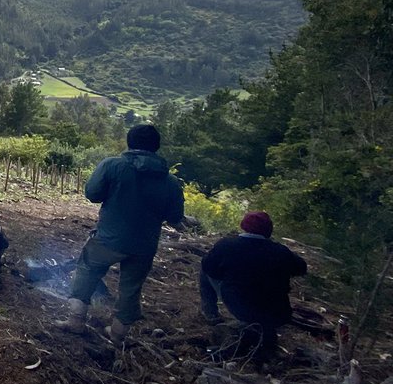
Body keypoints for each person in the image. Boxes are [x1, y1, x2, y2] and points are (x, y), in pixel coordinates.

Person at [59, 124, 184, 343]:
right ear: (156, 146)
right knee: (131, 288)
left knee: (87, 270)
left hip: (108, 238)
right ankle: (117, 334)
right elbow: (175, 216)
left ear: (129, 142)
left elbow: (92, 193)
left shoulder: (113, 166)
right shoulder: (171, 182)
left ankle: (76, 321)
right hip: (144, 246)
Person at [201, 210, 307, 361]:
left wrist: (230, 275)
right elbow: (301, 268)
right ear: (268, 230)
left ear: (244, 225)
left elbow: (209, 267)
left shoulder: (227, 245)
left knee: (204, 269)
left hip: (240, 308)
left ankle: (210, 313)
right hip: (278, 314)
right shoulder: (280, 251)